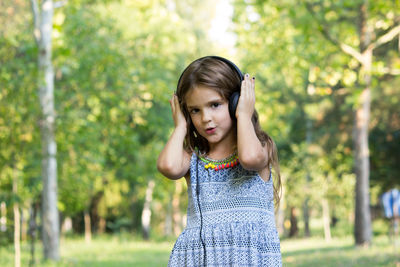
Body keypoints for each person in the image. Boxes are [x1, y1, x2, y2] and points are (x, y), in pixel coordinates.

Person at [157, 56, 282, 266]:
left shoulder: (261, 146)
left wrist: (244, 114)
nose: (205, 118)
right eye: (195, 110)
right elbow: (167, 166)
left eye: (215, 105)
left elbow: (249, 158)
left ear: (236, 102)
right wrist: (180, 127)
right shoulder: (193, 160)